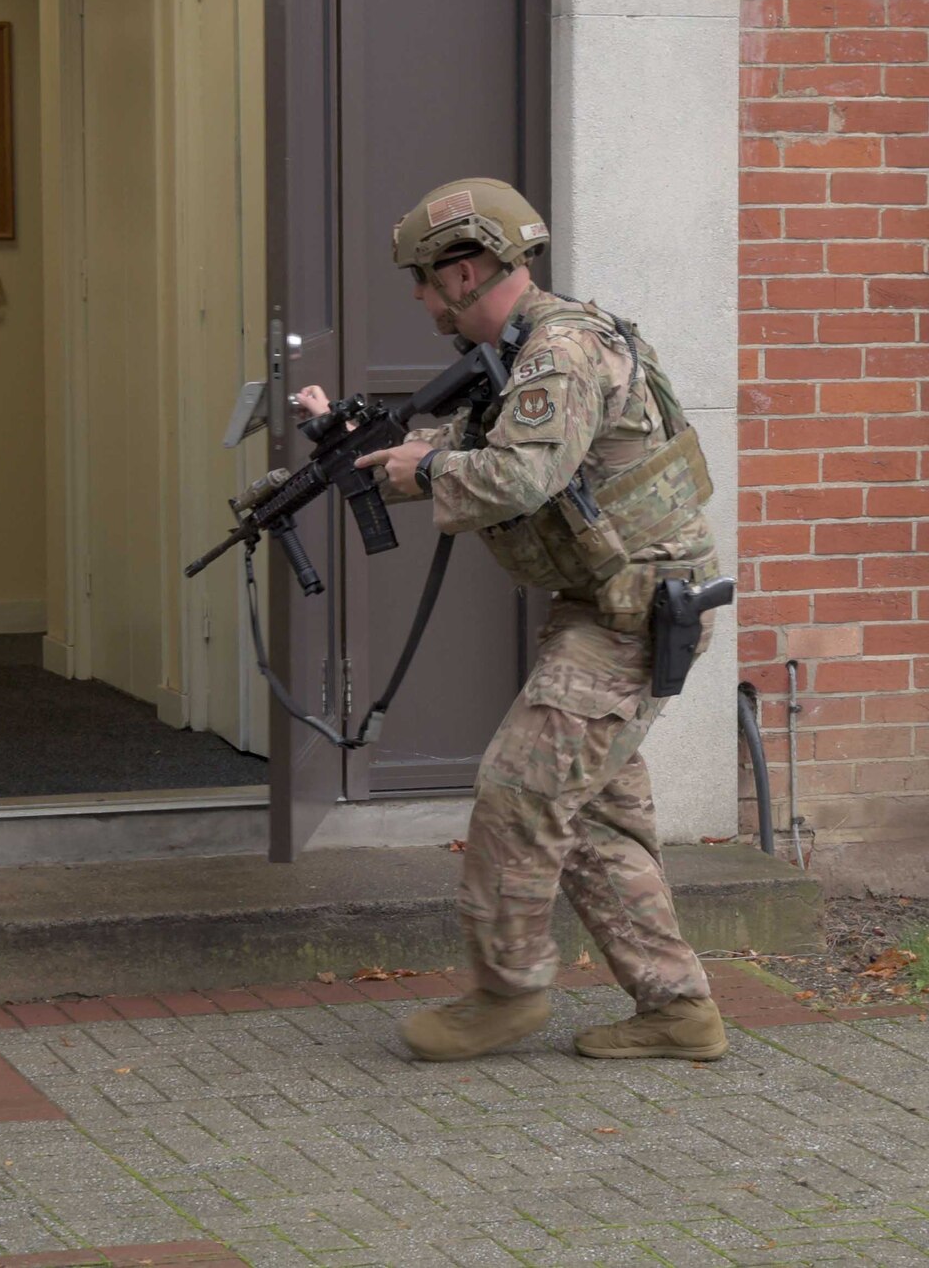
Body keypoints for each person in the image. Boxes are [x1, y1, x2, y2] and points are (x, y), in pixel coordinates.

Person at [298, 177, 726, 1064]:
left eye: (424, 278)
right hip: (609, 608)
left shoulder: (559, 353)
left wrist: (421, 472)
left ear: (467, 270)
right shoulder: (534, 348)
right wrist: (389, 447)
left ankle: (505, 993)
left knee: (518, 790)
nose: (419, 297)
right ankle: (678, 1009)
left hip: (629, 617)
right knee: (596, 823)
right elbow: (500, 449)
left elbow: (518, 478)